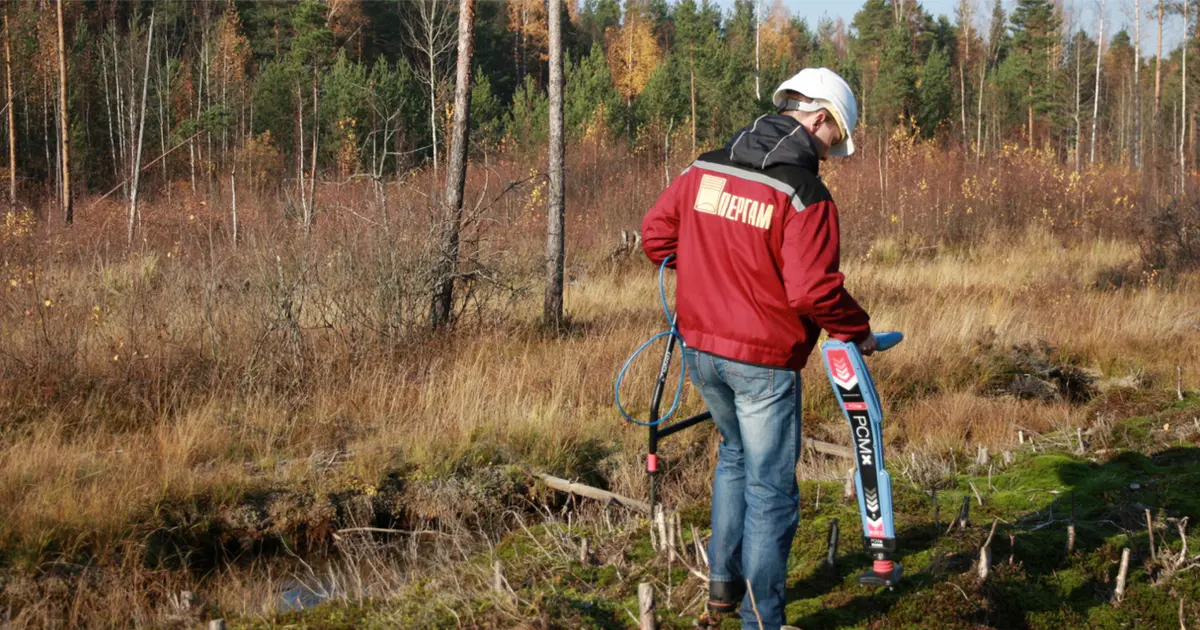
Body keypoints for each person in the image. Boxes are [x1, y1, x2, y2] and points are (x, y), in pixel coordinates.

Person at [640, 68, 876, 630]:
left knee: (734, 456)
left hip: (700, 350)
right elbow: (813, 290)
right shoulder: (805, 194)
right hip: (763, 364)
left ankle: (722, 589)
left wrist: (706, 262)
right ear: (819, 118)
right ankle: (761, 620)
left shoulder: (705, 168)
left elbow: (655, 239)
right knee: (771, 489)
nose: (829, 153)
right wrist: (857, 328)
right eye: (832, 141)